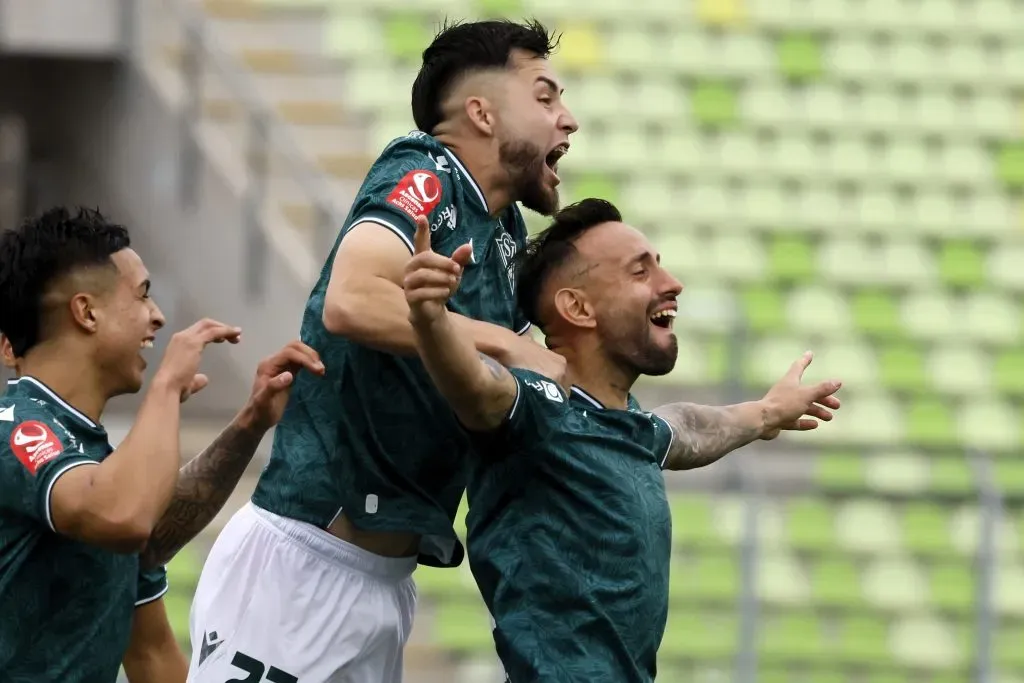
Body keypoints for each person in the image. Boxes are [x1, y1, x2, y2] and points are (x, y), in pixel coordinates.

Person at [186, 19, 576, 683]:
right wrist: (503, 343)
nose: (567, 119)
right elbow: (353, 299)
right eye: (545, 97)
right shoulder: (424, 170)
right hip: (302, 568)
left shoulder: (504, 231)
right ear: (481, 112)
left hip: (385, 586)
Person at [403, 199, 844, 683]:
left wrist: (765, 413)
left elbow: (684, 428)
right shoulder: (537, 407)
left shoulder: (625, 424)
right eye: (641, 272)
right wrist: (432, 322)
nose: (671, 284)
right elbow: (480, 390)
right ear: (577, 307)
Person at [0, 206, 326, 683]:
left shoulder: (99, 465)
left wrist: (251, 424)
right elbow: (122, 519)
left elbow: (152, 652)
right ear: (87, 312)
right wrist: (167, 386)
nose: (158, 317)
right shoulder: (17, 427)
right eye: (143, 295)